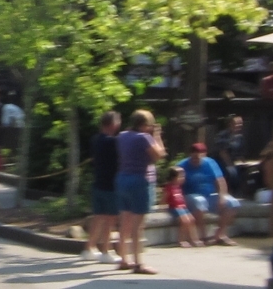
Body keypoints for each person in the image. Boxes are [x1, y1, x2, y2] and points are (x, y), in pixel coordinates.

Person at [115, 109, 165, 274]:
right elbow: (159, 155)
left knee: (125, 222)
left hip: (122, 178)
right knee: (138, 225)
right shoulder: (144, 137)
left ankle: (123, 259)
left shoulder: (122, 135)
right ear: (144, 125)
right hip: (140, 180)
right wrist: (157, 135)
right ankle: (138, 263)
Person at [180, 141, 240, 246]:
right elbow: (173, 185)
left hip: (209, 196)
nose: (195, 156)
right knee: (200, 201)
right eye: (193, 153)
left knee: (233, 203)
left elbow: (220, 181)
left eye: (198, 154)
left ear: (204, 155)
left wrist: (222, 196)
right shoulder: (182, 166)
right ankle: (203, 236)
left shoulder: (210, 163)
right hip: (190, 197)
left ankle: (220, 235)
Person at [85, 110, 122, 264]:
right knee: (109, 219)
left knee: (98, 217)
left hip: (98, 182)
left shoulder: (96, 139)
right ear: (113, 124)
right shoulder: (113, 142)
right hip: (111, 184)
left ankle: (89, 247)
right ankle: (106, 251)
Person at [163, 167, 198, 246]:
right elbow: (164, 199)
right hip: (175, 207)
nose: (183, 178)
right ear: (173, 177)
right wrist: (163, 206)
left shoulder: (178, 187)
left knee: (191, 219)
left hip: (183, 207)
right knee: (185, 221)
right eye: (180, 176)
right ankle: (181, 240)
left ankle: (194, 239)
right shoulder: (169, 187)